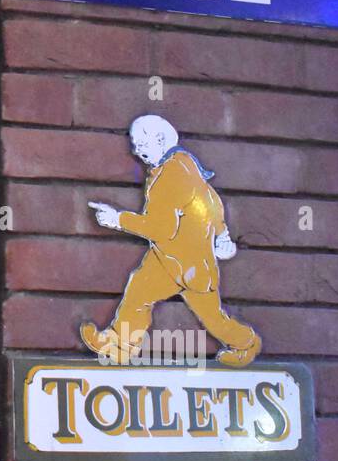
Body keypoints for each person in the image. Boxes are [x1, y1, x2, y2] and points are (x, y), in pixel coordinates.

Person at [82, 114, 261, 367]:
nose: (137, 151)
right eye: (135, 145)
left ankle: (245, 343)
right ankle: (118, 346)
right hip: (177, 259)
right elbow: (212, 203)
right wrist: (222, 236)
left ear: (160, 139)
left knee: (210, 318)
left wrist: (117, 219)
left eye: (141, 144)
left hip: (181, 263)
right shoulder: (186, 165)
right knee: (139, 292)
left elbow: (161, 228)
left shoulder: (170, 174)